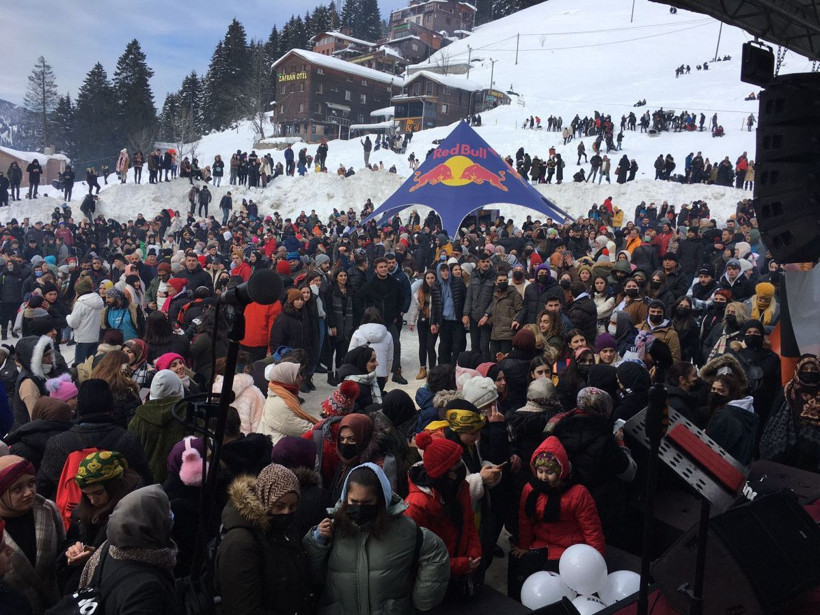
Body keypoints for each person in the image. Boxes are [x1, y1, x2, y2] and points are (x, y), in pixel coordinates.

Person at [304, 463, 450, 614]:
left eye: (367, 502)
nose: (359, 507)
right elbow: (312, 573)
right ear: (345, 498)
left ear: (381, 499)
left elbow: (435, 552)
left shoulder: (404, 529)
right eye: (353, 502)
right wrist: (317, 542)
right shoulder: (332, 530)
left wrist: (423, 598)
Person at [508, 436, 605, 600]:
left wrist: (597, 561)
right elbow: (525, 520)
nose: (543, 477)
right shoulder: (531, 489)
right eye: (540, 471)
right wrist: (524, 546)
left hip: (572, 548)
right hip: (541, 545)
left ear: (561, 471)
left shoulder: (578, 493)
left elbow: (591, 528)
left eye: (549, 472)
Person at [215, 463, 314, 615]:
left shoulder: (285, 530)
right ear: (264, 500)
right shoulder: (241, 542)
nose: (287, 512)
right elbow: (242, 607)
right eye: (279, 506)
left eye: (293, 506)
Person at [77, 485, 181, 613]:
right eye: (166, 513)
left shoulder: (109, 547)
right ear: (152, 523)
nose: (171, 517)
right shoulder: (146, 588)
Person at [404, 431, 482, 599]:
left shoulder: (460, 487)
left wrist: (473, 552)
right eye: (456, 465)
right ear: (444, 474)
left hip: (460, 572)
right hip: (431, 583)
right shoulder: (416, 505)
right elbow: (418, 557)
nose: (462, 468)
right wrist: (460, 564)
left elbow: (468, 521)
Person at [58, 450, 141, 593]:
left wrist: (96, 556)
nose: (93, 500)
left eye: (98, 493)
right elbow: (72, 538)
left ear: (114, 486)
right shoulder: (83, 510)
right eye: (87, 495)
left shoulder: (134, 512)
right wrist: (72, 550)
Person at [0, 455, 64, 614]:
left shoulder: (48, 509)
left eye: (31, 483)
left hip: (56, 604)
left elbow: (62, 548)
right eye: (18, 489)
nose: (28, 493)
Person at [761, 354, 820, 471]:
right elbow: (772, 418)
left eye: (814, 369)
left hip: (813, 458)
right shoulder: (787, 391)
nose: (809, 372)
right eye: (805, 369)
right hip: (785, 453)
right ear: (798, 370)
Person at [127, 370, 188, 484]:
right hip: (179, 483)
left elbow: (132, 455)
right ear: (178, 387)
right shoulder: (187, 413)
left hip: (147, 484)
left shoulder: (138, 418)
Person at [258, 362, 318, 445]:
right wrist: (322, 428)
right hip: (277, 448)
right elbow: (301, 428)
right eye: (297, 375)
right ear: (286, 378)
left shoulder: (282, 393)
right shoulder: (280, 402)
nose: (300, 378)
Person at [705, 373, 758, 465]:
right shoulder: (744, 411)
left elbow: (714, 445)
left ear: (731, 393)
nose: (715, 393)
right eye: (713, 389)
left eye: (721, 391)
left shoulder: (725, 416)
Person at [349, 308, 394, 391]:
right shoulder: (388, 335)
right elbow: (389, 358)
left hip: (360, 375)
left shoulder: (357, 333)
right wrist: (387, 373)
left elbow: (350, 355)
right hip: (380, 375)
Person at [408, 270, 442, 380]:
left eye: (432, 278)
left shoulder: (438, 290)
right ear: (425, 279)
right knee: (422, 345)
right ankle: (422, 368)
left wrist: (437, 323)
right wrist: (412, 321)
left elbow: (439, 308)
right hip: (422, 321)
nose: (430, 280)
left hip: (433, 322)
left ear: (435, 279)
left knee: (430, 346)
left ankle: (432, 370)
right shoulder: (421, 291)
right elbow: (416, 307)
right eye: (428, 278)